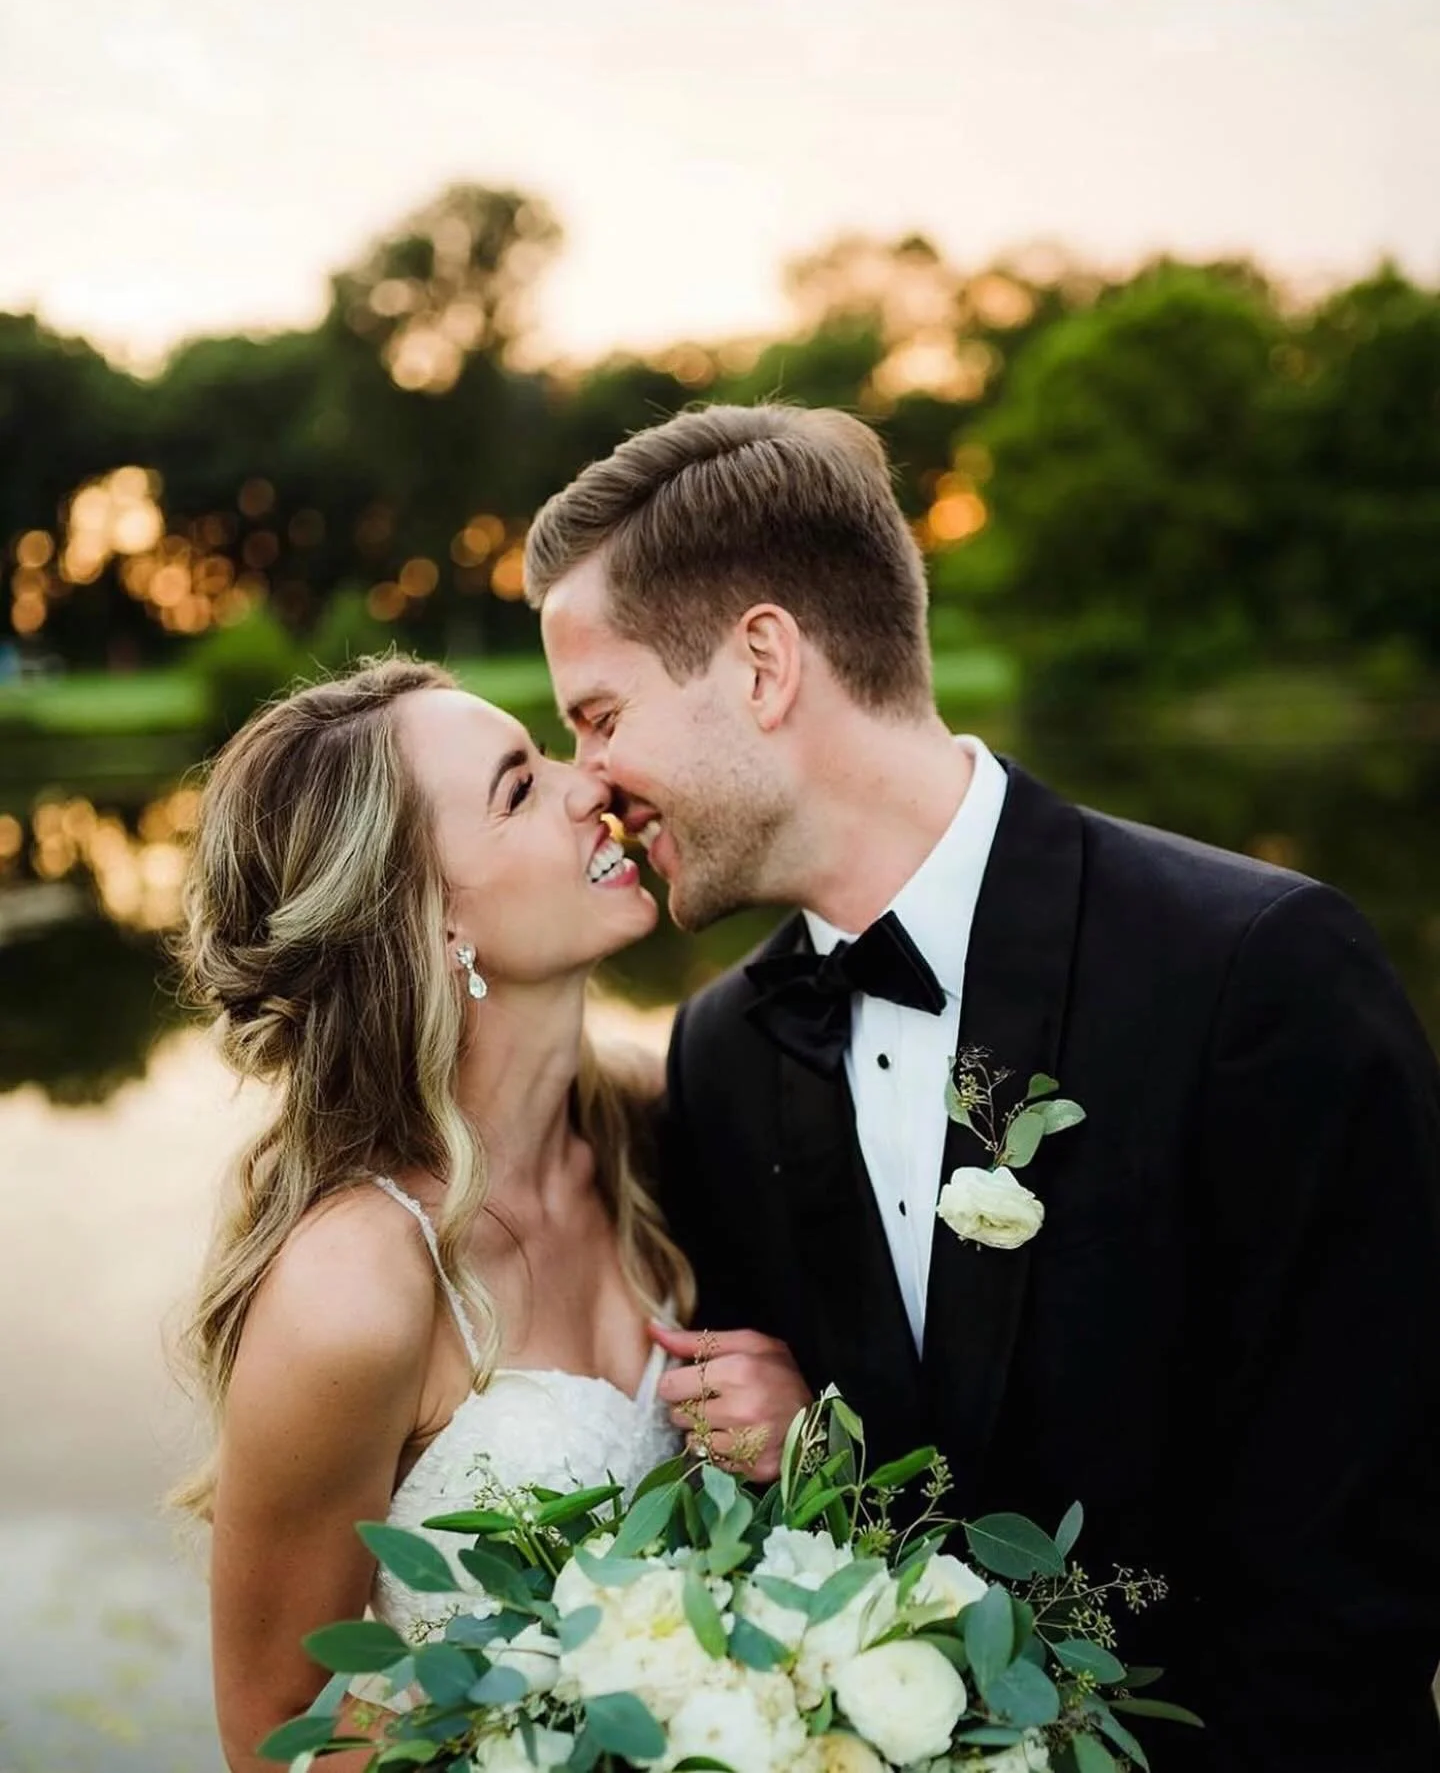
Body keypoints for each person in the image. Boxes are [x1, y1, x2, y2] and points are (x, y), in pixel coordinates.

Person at [529, 402, 1440, 1772]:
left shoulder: (1256, 972)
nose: (589, 785)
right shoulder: (723, 1051)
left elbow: (1366, 1552)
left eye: (601, 718)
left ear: (763, 664)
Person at [173, 659, 804, 1772]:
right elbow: (277, 1738)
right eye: (519, 786)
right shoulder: (359, 1285)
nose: (589, 780)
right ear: (429, 914)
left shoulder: (657, 1131)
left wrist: (798, 1441)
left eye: (548, 750)